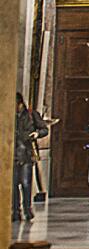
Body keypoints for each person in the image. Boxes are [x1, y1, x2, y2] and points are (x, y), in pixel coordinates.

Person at [12, 94, 48, 223]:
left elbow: (44, 129)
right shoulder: (8, 115)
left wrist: (37, 134)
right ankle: (15, 210)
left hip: (27, 153)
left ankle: (27, 209)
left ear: (20, 104)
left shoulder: (32, 115)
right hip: (12, 153)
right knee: (13, 184)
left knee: (26, 183)